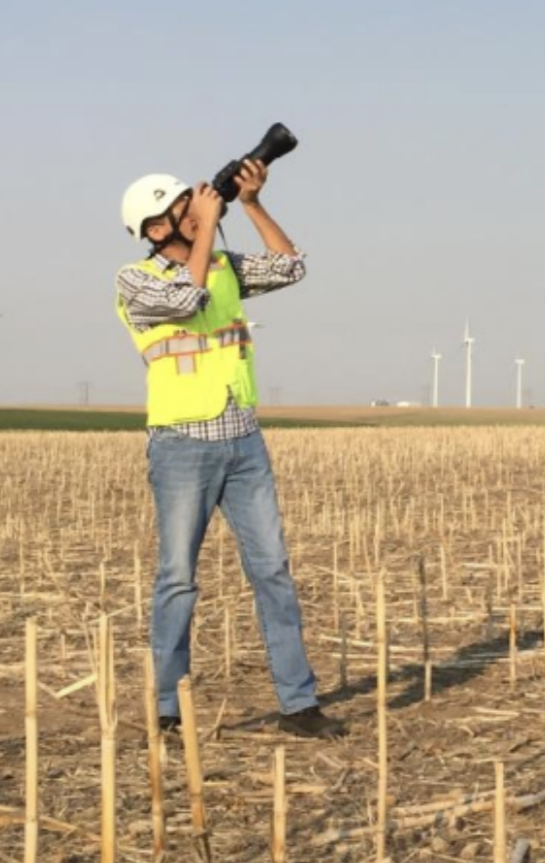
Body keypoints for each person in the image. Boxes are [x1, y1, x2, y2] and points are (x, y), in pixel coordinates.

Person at [116, 160, 345, 739]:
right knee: (177, 578)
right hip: (181, 444)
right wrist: (211, 219)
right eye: (183, 210)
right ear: (153, 227)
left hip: (243, 439)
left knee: (273, 571)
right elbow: (187, 301)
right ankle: (169, 708)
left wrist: (249, 203)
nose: (196, 214)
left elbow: (292, 267)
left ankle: (300, 704)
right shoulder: (134, 280)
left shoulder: (224, 267)